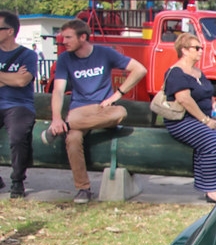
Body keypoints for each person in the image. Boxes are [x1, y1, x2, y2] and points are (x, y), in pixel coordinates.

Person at [45, 18, 147, 204]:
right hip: (79, 110)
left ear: (82, 37)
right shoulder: (64, 59)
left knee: (121, 112)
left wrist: (117, 95)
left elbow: (139, 69)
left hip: (103, 109)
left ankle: (66, 126)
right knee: (73, 138)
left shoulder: (104, 52)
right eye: (63, 37)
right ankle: (83, 189)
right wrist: (56, 118)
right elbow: (58, 91)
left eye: (68, 37)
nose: (63, 41)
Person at [162, 32, 216, 203]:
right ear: (184, 50)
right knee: (212, 143)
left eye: (201, 48)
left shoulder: (198, 72)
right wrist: (205, 120)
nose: (201, 51)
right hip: (183, 120)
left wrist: (215, 107)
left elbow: (207, 93)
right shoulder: (176, 72)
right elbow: (184, 99)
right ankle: (211, 189)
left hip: (206, 117)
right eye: (197, 48)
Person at [0, 10, 37, 199]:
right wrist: (12, 78)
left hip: (19, 105)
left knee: (17, 137)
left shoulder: (28, 55)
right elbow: (16, 79)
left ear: (10, 31)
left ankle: (17, 181)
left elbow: (22, 82)